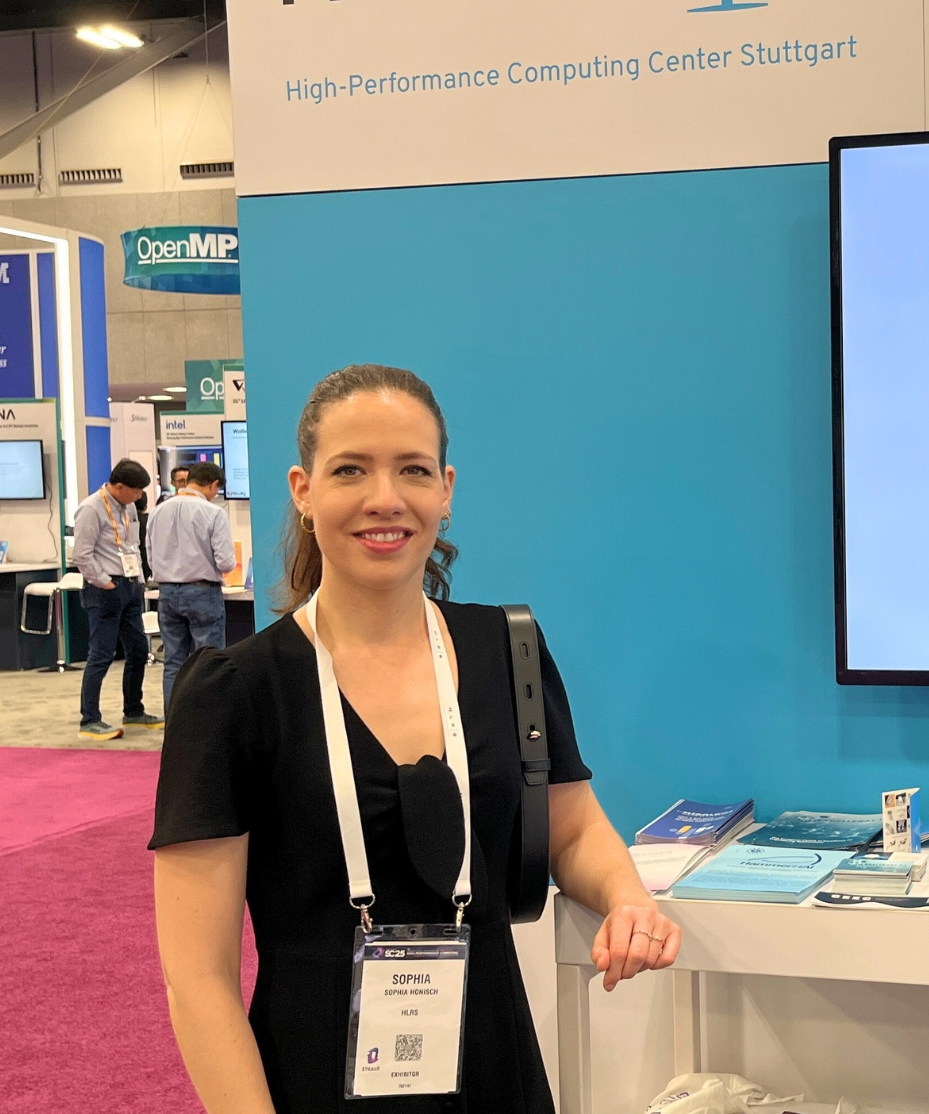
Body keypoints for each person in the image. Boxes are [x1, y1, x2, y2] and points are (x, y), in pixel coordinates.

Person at [152, 364, 677, 1113]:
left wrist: (627, 898)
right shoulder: (235, 693)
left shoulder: (508, 649)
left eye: (412, 470)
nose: (384, 499)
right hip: (313, 1069)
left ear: (446, 490)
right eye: (350, 470)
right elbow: (197, 978)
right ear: (304, 491)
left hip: (494, 1061)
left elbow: (574, 829)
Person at [73, 458, 163, 741]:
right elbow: (82, 555)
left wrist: (137, 581)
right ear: (119, 486)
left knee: (138, 650)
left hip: (131, 586)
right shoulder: (90, 509)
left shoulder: (129, 508)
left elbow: (132, 545)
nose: (140, 497)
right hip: (104, 590)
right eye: (136, 491)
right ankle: (90, 719)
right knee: (101, 655)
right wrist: (105, 582)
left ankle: (133, 710)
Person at [146, 460, 237, 711]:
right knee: (207, 661)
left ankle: (174, 723)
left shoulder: (158, 511)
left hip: (165, 592)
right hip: (202, 592)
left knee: (173, 661)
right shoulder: (213, 513)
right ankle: (206, 721)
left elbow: (150, 556)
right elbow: (226, 561)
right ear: (213, 485)